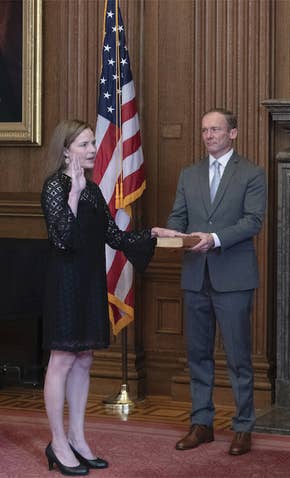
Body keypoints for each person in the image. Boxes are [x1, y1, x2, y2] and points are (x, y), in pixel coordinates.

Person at [40, 120, 176, 475]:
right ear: (66, 148)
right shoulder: (54, 187)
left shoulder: (95, 190)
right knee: (62, 359)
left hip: (89, 281)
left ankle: (78, 438)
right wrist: (73, 190)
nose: (91, 150)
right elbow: (63, 239)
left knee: (84, 358)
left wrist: (152, 234)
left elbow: (114, 236)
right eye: (84, 144)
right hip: (64, 283)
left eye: (92, 143)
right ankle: (57, 442)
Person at [165, 108, 266, 456]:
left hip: (234, 278)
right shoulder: (189, 174)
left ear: (233, 134)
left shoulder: (251, 173)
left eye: (216, 130)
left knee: (238, 357)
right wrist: (171, 232)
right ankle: (201, 424)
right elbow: (178, 217)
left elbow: (253, 221)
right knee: (197, 355)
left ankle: (242, 427)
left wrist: (215, 238)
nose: (209, 136)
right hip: (195, 276)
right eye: (205, 130)